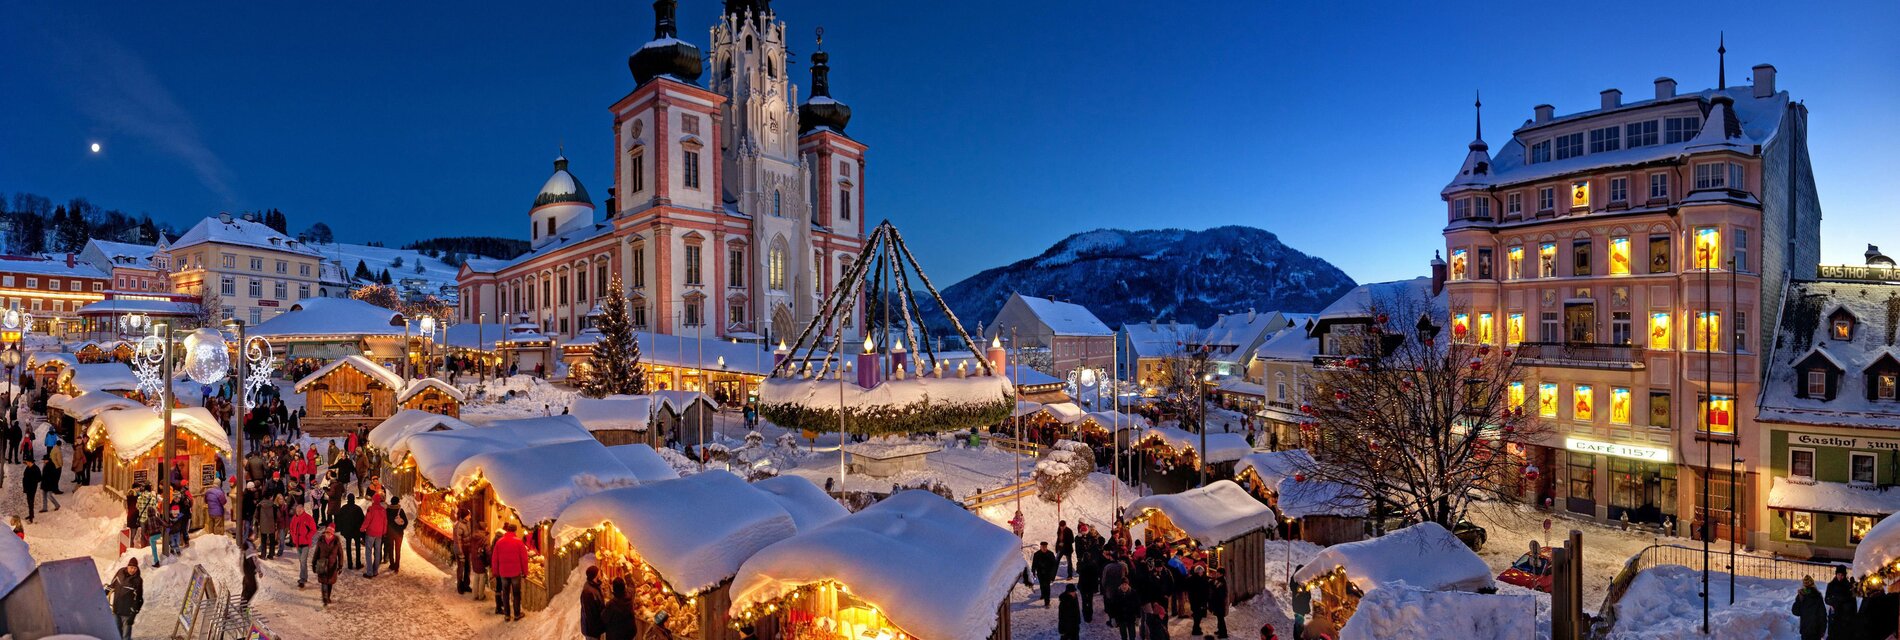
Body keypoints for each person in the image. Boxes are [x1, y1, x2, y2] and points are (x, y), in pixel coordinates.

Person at [492, 523, 530, 621]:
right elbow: (524, 559)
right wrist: (525, 572)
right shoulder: (519, 542)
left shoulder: (499, 542)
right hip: (515, 572)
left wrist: (495, 571)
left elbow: (494, 559)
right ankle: (517, 614)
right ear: (515, 531)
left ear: (507, 530)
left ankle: (507, 615)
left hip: (503, 572)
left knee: (505, 593)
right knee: (516, 593)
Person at [106, 558, 143, 640]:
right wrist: (104, 593)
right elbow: (112, 585)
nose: (132, 570)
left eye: (135, 568)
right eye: (131, 567)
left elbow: (139, 599)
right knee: (116, 635)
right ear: (127, 566)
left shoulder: (138, 580)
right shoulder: (120, 572)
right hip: (116, 610)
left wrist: (133, 614)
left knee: (125, 637)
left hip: (127, 613)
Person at [311, 524, 343, 606]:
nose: (327, 535)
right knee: (323, 582)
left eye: (329, 533)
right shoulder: (321, 541)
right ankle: (325, 597)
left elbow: (340, 554)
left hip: (332, 566)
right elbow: (316, 553)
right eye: (326, 533)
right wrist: (313, 563)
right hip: (322, 564)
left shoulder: (336, 542)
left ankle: (328, 596)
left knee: (330, 583)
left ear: (332, 534)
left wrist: (340, 565)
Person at [1827, 565, 1858, 640]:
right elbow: (1827, 598)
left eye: (1842, 575)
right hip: (1834, 616)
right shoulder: (1831, 585)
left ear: (1845, 575)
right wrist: (1831, 602)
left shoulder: (1849, 586)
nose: (1840, 577)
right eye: (1838, 574)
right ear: (1836, 574)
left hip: (1845, 618)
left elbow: (1853, 603)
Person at [289, 502, 316, 588]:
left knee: (303, 561)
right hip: (297, 543)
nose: (298, 512)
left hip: (305, 544)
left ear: (303, 510)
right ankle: (305, 577)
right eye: (297, 511)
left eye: (299, 510)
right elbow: (292, 528)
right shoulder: (294, 518)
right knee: (301, 561)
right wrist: (293, 537)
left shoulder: (308, 518)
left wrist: (307, 537)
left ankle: (302, 579)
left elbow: (313, 529)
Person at [334, 494, 365, 569]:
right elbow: (362, 520)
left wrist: (340, 529)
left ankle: (350, 564)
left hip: (347, 531)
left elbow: (339, 520)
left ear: (348, 499)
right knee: (358, 547)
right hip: (356, 531)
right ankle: (358, 563)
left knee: (348, 547)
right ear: (354, 499)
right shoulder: (358, 508)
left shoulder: (343, 508)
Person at [361, 494, 388, 578]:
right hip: (379, 533)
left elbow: (367, 520)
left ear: (373, 500)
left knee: (368, 551)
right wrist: (384, 531)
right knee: (377, 551)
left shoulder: (371, 509)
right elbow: (385, 522)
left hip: (371, 533)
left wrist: (362, 528)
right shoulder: (383, 510)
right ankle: (375, 570)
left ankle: (369, 572)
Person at [1795, 575, 1827, 640]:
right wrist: (1823, 630)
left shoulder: (1801, 595)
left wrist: (1798, 600)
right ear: (1813, 584)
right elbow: (1823, 615)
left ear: (1804, 585)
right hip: (1816, 631)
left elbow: (1795, 612)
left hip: (1805, 631)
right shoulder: (1818, 596)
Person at [580, 566, 606, 640]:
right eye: (598, 572)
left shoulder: (595, 586)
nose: (600, 573)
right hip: (591, 631)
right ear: (595, 575)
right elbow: (589, 614)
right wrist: (596, 629)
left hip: (595, 628)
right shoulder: (588, 592)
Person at [1077, 545, 1102, 623]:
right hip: (1090, 586)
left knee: (1084, 601)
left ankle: (1085, 615)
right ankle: (1089, 616)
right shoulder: (1093, 564)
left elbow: (1078, 571)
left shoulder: (1081, 564)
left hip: (1083, 586)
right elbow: (1096, 575)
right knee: (1090, 601)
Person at [1033, 541, 1059, 607]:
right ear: (1040, 547)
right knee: (1042, 585)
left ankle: (1047, 602)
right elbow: (1034, 564)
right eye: (1043, 547)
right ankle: (1043, 594)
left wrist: (1052, 575)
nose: (1044, 548)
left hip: (1048, 573)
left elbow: (1054, 565)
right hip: (1040, 573)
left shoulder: (1050, 554)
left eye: (1045, 547)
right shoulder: (1036, 554)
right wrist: (1033, 572)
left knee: (1047, 586)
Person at [384, 502, 409, 573]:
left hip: (390, 534)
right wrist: (401, 528)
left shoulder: (387, 510)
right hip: (399, 534)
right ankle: (397, 566)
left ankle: (392, 564)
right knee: (398, 550)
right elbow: (406, 522)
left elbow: (385, 521)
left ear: (391, 502)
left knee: (390, 549)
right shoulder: (400, 510)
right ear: (397, 502)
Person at [1206, 568, 1231, 639]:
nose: (1216, 573)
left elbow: (1218, 591)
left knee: (1221, 619)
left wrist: (1212, 586)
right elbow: (1214, 583)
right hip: (1218, 603)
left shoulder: (1222, 582)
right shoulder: (1219, 579)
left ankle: (1223, 633)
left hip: (1220, 603)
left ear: (1221, 574)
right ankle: (1220, 630)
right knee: (1219, 618)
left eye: (1218, 572)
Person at [1289, 565, 1310, 640]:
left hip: (1302, 606)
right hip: (1298, 606)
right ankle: (1297, 637)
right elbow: (1292, 588)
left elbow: (1308, 593)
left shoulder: (1305, 580)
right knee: (1298, 623)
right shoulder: (1294, 579)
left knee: (1300, 622)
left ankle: (1298, 636)